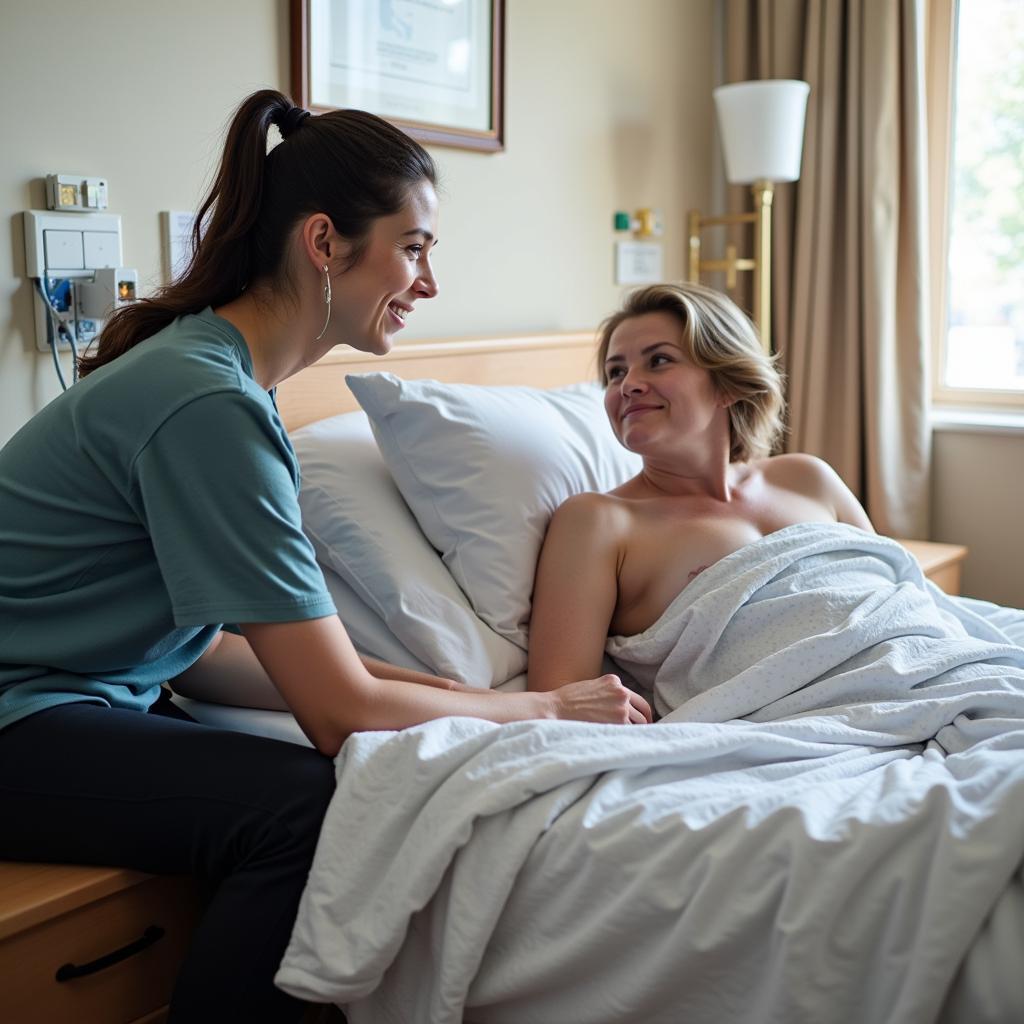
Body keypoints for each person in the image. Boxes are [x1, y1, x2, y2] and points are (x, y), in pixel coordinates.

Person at [0, 90, 650, 1024]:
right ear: (324, 243)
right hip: (18, 722)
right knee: (307, 805)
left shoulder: (222, 381)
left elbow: (224, 651)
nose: (429, 282)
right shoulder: (206, 403)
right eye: (415, 246)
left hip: (72, 697)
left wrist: (493, 704)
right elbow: (340, 712)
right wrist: (543, 709)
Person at [527, 281, 874, 696]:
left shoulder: (808, 478)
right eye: (615, 372)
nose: (628, 384)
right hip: (791, 723)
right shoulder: (599, 522)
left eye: (658, 361)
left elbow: (896, 593)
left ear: (727, 383)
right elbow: (561, 697)